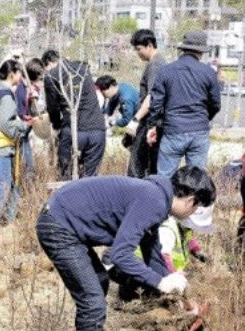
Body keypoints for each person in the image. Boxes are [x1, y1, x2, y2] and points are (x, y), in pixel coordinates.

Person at [36, 166, 216, 331]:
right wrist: (160, 283)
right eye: (196, 208)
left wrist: (178, 294)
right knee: (93, 302)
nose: (192, 214)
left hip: (62, 219)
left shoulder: (157, 196)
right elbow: (120, 255)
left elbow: (152, 252)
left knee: (99, 282)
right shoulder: (154, 201)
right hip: (59, 225)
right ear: (190, 201)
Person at [147, 31, 222, 177]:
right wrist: (204, 117)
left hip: (173, 129)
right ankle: (194, 200)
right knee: (197, 179)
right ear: (201, 52)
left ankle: (165, 199)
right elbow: (216, 104)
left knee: (164, 178)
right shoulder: (208, 72)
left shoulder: (166, 71)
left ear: (183, 49)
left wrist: (152, 126)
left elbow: (155, 103)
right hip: (199, 131)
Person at [0, 60, 33, 226]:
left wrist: (18, 121)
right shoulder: (6, 95)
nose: (21, 77)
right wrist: (23, 127)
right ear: (12, 74)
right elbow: (5, 124)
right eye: (19, 74)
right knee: (2, 183)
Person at [42, 49, 106, 180]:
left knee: (66, 175)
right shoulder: (83, 70)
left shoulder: (51, 76)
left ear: (49, 62)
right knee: (90, 178)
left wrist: (56, 124)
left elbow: (52, 107)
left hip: (73, 130)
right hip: (97, 129)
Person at [128, 29, 167, 178]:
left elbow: (152, 97)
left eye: (139, 49)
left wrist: (135, 119)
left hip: (149, 123)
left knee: (137, 168)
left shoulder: (155, 66)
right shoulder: (160, 63)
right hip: (154, 123)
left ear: (149, 45)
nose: (138, 53)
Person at [14, 58, 44, 177]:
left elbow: (35, 109)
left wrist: (34, 99)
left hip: (26, 121)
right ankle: (24, 172)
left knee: (23, 143)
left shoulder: (34, 89)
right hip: (18, 120)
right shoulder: (18, 85)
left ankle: (28, 172)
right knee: (22, 145)